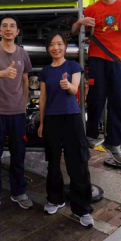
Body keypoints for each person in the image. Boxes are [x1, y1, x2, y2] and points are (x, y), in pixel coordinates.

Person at [71, 0, 121, 166]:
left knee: (118, 101)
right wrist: (80, 22)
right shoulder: (92, 9)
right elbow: (74, 31)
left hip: (118, 60)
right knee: (96, 97)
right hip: (97, 59)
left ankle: (114, 143)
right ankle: (91, 135)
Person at [37, 31, 94, 227]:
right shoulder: (45, 71)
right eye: (52, 44)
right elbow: (43, 98)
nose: (56, 48)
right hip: (51, 119)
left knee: (77, 162)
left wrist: (68, 85)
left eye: (59, 44)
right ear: (48, 48)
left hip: (72, 118)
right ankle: (55, 199)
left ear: (65, 46)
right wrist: (42, 123)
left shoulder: (73, 66)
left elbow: (75, 89)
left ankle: (82, 209)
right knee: (53, 162)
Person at [0, 15, 33, 217]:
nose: (8, 29)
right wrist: (2, 73)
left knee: (18, 155)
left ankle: (18, 192)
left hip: (17, 113)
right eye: (4, 26)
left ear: (17, 31)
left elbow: (25, 80)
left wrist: (23, 103)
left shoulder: (22, 53)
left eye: (12, 26)